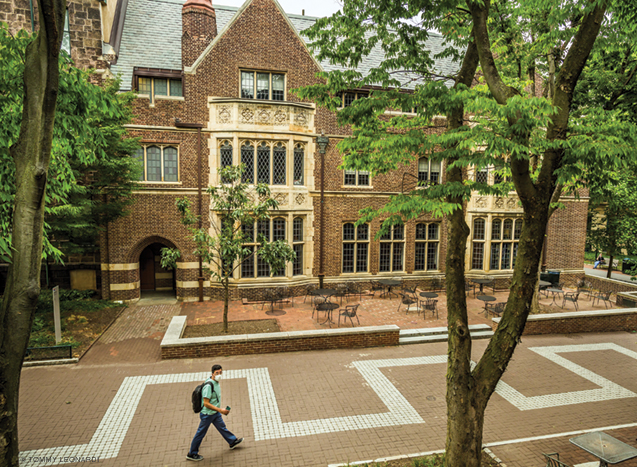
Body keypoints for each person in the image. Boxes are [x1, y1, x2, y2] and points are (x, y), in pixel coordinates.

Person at [187, 364, 243, 462]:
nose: (219, 374)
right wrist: (220, 410)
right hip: (207, 414)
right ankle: (192, 453)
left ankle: (232, 441)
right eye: (217, 373)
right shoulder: (209, 386)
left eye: (220, 372)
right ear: (212, 373)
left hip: (214, 413)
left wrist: (219, 411)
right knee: (200, 433)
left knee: (222, 427)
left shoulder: (215, 382)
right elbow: (206, 403)